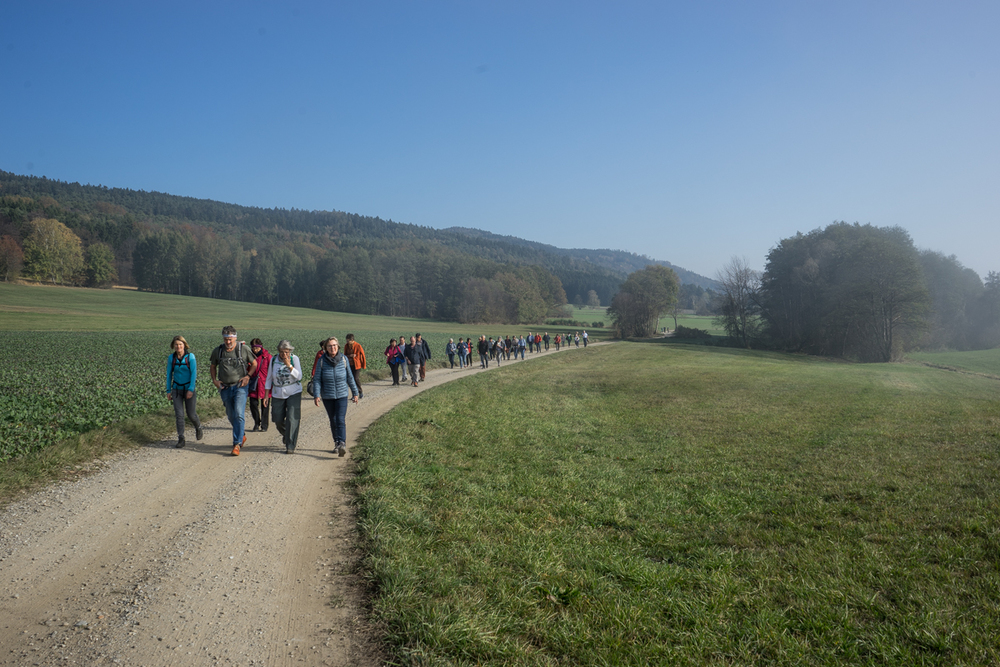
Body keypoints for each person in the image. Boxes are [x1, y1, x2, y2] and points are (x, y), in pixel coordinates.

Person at [210, 326, 257, 456]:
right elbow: (213, 366)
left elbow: (254, 363)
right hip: (224, 387)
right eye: (226, 339)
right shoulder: (218, 351)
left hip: (240, 386)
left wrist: (248, 376)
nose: (228, 342)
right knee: (231, 415)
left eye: (230, 339)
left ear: (235, 338)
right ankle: (241, 434)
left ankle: (237, 444)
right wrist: (214, 380)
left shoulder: (243, 349)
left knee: (239, 413)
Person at [311, 337, 359, 457]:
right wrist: (316, 395)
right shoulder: (322, 361)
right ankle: (336, 442)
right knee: (333, 420)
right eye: (330, 346)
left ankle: (342, 443)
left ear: (338, 347)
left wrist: (355, 392)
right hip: (328, 396)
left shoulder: (344, 359)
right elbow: (317, 379)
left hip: (342, 394)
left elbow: (350, 377)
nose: (332, 348)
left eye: (334, 345)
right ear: (325, 348)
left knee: (340, 419)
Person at [265, 340, 303, 454]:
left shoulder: (294, 359)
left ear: (290, 351)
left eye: (286, 352)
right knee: (277, 419)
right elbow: (269, 378)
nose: (284, 354)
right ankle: (287, 434)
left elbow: (299, 376)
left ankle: (290, 445)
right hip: (278, 392)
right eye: (281, 352)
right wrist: (266, 395)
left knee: (292, 418)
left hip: (294, 392)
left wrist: (289, 366)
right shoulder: (273, 360)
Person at [165, 335, 203, 448]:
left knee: (191, 414)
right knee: (179, 415)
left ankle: (198, 427)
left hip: (188, 389)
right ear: (173, 346)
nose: (178, 346)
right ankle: (181, 438)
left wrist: (190, 389)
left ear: (184, 345)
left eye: (180, 344)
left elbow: (193, 374)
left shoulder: (190, 357)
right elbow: (169, 375)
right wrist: (168, 390)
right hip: (176, 390)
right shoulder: (171, 358)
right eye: (176, 344)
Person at [247, 338, 271, 432]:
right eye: (253, 348)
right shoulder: (249, 357)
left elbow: (271, 370)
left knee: (265, 405)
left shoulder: (267, 357)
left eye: (257, 348)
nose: (255, 350)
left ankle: (264, 425)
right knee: (253, 405)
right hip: (253, 384)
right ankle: (257, 423)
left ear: (261, 347)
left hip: (265, 384)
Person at [344, 333, 366, 399]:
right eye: (346, 340)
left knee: (356, 378)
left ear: (352, 340)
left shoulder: (358, 346)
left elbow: (362, 355)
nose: (347, 342)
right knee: (351, 380)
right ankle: (354, 394)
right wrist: (350, 356)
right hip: (349, 365)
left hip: (357, 365)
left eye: (348, 341)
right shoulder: (346, 346)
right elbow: (344, 355)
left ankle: (360, 391)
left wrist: (363, 364)